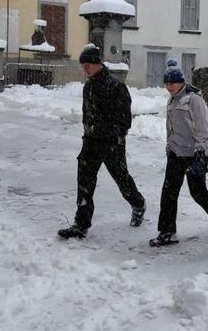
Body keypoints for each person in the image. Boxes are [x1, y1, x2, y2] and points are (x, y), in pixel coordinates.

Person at [58, 45, 146, 239]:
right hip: (90, 142)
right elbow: (87, 114)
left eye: (88, 65)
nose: (85, 69)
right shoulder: (88, 86)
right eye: (83, 65)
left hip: (111, 143)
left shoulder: (115, 86)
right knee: (84, 183)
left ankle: (138, 203)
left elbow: (125, 120)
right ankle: (81, 225)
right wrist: (87, 134)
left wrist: (112, 136)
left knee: (121, 179)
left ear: (98, 63)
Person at [149, 67, 208, 246]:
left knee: (198, 193)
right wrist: (169, 146)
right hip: (176, 153)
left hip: (194, 153)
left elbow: (202, 129)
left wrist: (201, 155)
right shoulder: (172, 99)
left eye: (172, 82)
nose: (168, 86)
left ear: (181, 81)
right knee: (169, 192)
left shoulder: (194, 100)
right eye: (166, 83)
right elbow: (170, 126)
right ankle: (167, 231)